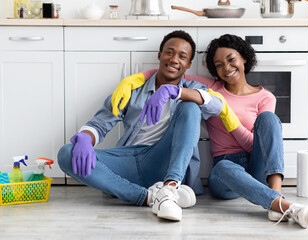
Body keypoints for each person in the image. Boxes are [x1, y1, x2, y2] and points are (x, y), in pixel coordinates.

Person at [111, 34, 308, 228]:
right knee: (224, 167)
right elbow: (172, 71)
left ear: (244, 58)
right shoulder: (211, 87)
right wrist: (131, 80)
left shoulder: (265, 97)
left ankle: (276, 200)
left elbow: (259, 145)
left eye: (231, 59)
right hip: (225, 172)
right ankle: (282, 206)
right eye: (219, 65)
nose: (226, 68)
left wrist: (230, 120)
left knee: (269, 119)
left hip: (257, 164)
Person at [57, 30, 223, 222]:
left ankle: (169, 188)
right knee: (67, 153)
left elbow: (217, 105)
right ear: (160, 55)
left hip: (165, 160)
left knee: (191, 107)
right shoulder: (132, 89)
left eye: (182, 56)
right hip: (128, 160)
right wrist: (86, 137)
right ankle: (149, 197)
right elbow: (99, 124)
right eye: (169, 52)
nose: (174, 59)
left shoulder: (193, 89)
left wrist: (175, 92)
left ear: (188, 64)